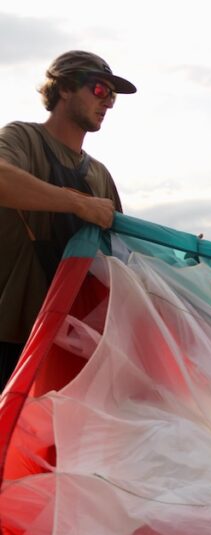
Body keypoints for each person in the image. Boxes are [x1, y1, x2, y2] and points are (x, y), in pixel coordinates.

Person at [0, 50, 134, 390]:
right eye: (100, 90)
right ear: (64, 88)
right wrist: (76, 204)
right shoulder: (23, 139)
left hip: (67, 345)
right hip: (8, 338)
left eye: (112, 96)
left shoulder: (100, 175)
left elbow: (121, 256)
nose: (107, 102)